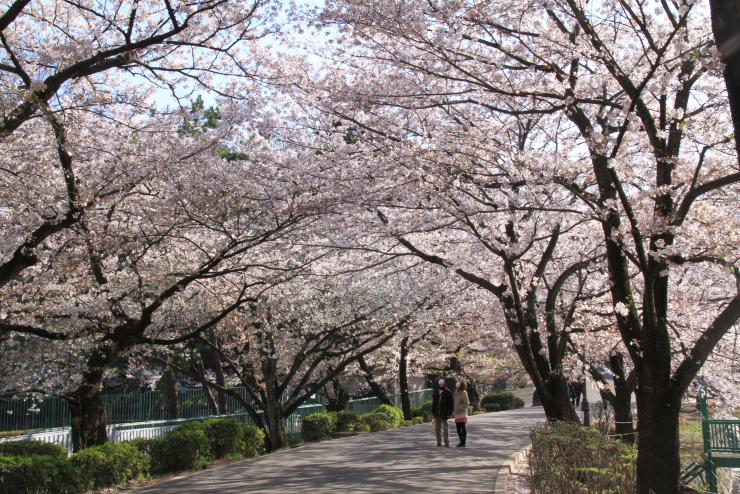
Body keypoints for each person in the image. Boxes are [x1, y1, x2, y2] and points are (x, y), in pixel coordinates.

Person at [432, 378, 453, 447]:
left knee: (445, 428)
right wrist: (433, 412)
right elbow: (434, 403)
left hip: (444, 413)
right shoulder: (436, 391)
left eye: (442, 384)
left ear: (444, 384)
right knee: (437, 428)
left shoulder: (448, 392)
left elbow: (451, 404)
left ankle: (446, 442)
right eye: (440, 384)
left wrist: (450, 413)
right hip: (437, 413)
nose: (441, 385)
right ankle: (439, 442)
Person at [453, 380, 470, 447]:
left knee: (462, 427)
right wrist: (454, 411)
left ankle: (463, 442)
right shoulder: (456, 392)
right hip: (457, 413)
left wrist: (459, 408)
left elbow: (467, 403)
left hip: (462, 412)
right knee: (458, 429)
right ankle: (461, 441)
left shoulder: (464, 392)